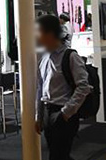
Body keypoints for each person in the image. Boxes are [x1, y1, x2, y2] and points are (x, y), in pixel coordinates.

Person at [35, 14, 91, 160]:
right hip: (48, 112)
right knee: (58, 154)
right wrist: (39, 116)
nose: (37, 37)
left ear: (50, 33)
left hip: (63, 113)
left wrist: (65, 113)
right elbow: (40, 88)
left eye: (40, 33)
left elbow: (83, 87)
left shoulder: (70, 56)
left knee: (58, 155)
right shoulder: (44, 57)